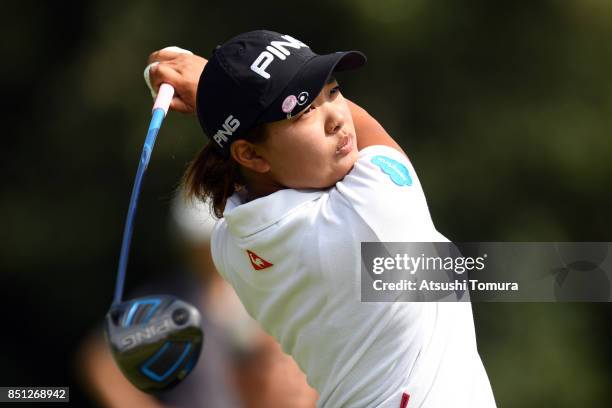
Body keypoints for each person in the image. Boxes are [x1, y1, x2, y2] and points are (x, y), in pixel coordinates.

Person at [146, 30, 497, 407]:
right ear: (249, 154)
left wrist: (220, 101)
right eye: (302, 110)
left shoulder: (229, 245)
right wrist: (206, 86)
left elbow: (257, 166)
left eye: (332, 90)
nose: (336, 119)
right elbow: (367, 133)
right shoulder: (374, 208)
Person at [78, 193, 318, 407]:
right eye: (202, 245)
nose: (209, 253)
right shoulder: (169, 304)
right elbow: (101, 362)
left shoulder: (264, 287)